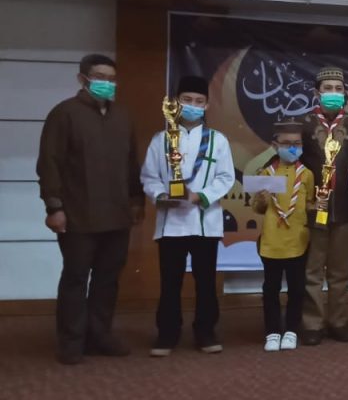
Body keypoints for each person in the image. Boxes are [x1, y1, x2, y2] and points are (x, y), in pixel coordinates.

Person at [37, 54, 144, 365]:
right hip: (77, 215)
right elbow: (49, 164)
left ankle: (100, 336)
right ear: (82, 79)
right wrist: (54, 207)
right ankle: (71, 341)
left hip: (117, 215)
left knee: (107, 280)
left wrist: (136, 201)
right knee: (75, 278)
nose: (106, 84)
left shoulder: (123, 116)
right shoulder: (64, 114)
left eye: (111, 79)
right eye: (100, 77)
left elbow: (131, 164)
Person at [141, 76, 235, 356]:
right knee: (170, 282)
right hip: (171, 223)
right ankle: (167, 333)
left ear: (206, 105)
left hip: (205, 221)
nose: (193, 105)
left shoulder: (218, 141)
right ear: (176, 103)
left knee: (206, 282)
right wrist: (160, 195)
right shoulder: (161, 140)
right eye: (187, 100)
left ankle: (206, 331)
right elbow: (148, 176)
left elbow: (226, 177)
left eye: (198, 101)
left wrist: (199, 196)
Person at [298, 66, 348, 345]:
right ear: (317, 92)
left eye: (339, 89)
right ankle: (312, 323)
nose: (334, 93)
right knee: (312, 271)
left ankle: (338, 321)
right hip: (313, 209)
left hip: (346, 209)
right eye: (328, 89)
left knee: (341, 272)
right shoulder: (302, 124)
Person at [251, 121, 315, 352]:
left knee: (297, 289)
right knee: (271, 289)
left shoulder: (306, 174)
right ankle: (272, 331)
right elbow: (257, 208)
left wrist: (318, 206)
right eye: (287, 144)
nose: (292, 148)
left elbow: (309, 203)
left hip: (298, 240)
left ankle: (291, 330)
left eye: (297, 143)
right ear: (275, 145)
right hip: (271, 242)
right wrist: (262, 200)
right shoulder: (266, 173)